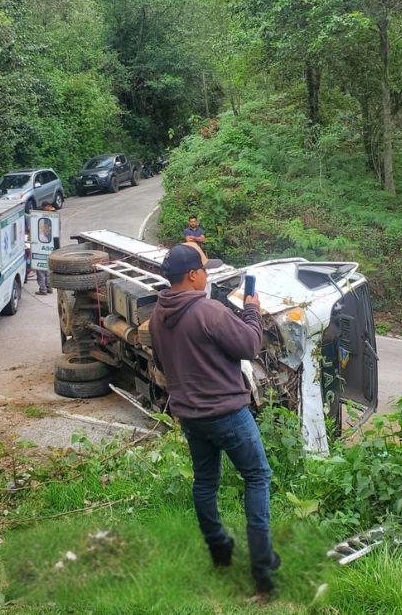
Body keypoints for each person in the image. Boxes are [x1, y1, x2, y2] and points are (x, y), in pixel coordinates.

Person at [149, 243, 281, 597]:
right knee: (257, 477)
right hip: (228, 415)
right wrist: (251, 311)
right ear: (192, 275)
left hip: (191, 417)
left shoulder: (157, 318)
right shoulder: (209, 311)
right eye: (205, 270)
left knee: (206, 483)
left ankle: (221, 552)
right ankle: (263, 571)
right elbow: (249, 346)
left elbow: (163, 366)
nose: (207, 275)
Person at [34, 204, 56, 295]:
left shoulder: (39, 236)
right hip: (49, 252)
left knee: (40, 271)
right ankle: (49, 288)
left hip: (40, 252)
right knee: (47, 270)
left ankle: (43, 289)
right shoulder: (47, 236)